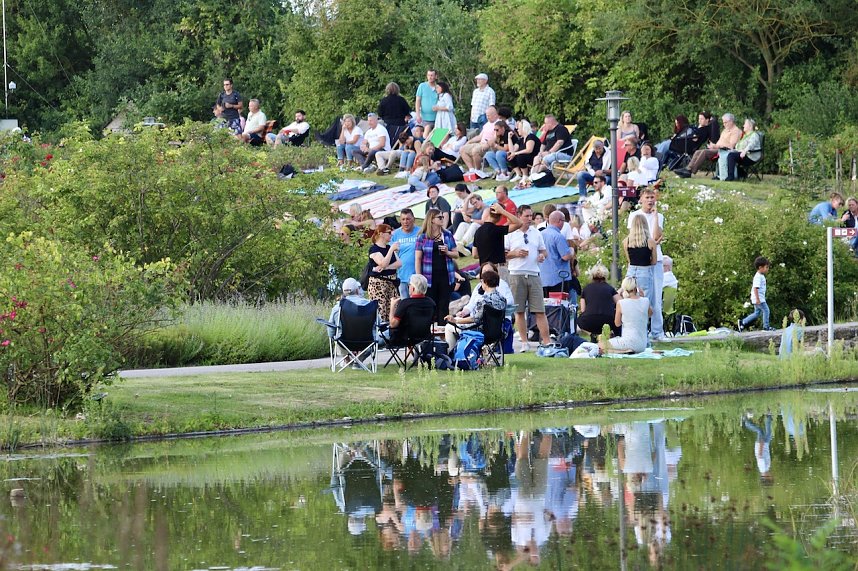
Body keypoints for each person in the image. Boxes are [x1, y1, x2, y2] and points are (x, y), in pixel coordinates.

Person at [504, 205, 550, 351]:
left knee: (539, 310)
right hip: (516, 273)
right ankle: (524, 342)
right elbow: (503, 254)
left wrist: (542, 256)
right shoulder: (510, 233)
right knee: (519, 310)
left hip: (533, 273)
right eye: (527, 216)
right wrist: (515, 253)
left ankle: (547, 341)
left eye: (531, 216)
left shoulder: (536, 233)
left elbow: (544, 251)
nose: (530, 219)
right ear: (518, 216)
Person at [627, 188, 667, 341]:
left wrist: (656, 216)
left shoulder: (659, 216)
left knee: (656, 295)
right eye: (647, 197)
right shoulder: (634, 216)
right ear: (641, 200)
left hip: (656, 258)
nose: (650, 200)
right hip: (640, 260)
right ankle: (640, 330)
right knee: (638, 294)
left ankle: (657, 331)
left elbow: (657, 236)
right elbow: (633, 237)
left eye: (652, 197)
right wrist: (650, 243)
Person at [443, 268, 506, 352]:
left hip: (480, 331)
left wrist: (455, 321)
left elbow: (474, 319)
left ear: (485, 283)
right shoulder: (503, 299)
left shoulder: (482, 300)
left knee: (449, 327)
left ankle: (452, 353)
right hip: (497, 332)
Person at [415, 208, 459, 325]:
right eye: (439, 217)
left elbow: (456, 254)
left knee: (444, 306)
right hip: (429, 278)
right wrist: (419, 278)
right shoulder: (422, 237)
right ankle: (430, 334)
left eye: (442, 217)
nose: (442, 219)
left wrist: (448, 252)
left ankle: (444, 333)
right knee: (431, 306)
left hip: (446, 276)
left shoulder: (447, 235)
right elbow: (418, 258)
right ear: (432, 220)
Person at [676, 113, 742, 178]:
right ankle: (688, 169)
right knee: (698, 151)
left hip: (725, 151)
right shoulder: (725, 130)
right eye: (723, 122)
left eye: (725, 122)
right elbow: (720, 142)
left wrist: (716, 146)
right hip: (717, 148)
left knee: (705, 152)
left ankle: (690, 171)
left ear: (731, 121)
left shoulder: (736, 131)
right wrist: (713, 145)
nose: (724, 124)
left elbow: (731, 146)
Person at [601, 276, 652, 354]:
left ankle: (624, 351)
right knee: (605, 347)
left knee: (600, 345)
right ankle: (626, 351)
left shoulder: (621, 303)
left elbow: (617, 324)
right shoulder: (646, 301)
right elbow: (650, 314)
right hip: (642, 345)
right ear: (636, 288)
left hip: (628, 341)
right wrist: (643, 296)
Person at [623, 214, 657, 317]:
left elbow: (629, 260)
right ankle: (644, 328)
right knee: (645, 301)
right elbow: (654, 261)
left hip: (631, 271)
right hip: (645, 270)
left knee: (628, 299)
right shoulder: (650, 241)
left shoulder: (626, 241)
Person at [386, 275, 436, 345]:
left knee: (381, 332)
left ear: (413, 288)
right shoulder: (431, 303)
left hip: (404, 338)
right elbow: (432, 320)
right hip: (425, 336)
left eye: (409, 285)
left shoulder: (405, 303)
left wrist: (392, 306)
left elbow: (393, 324)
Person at [577, 263, 621, 340]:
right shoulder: (610, 288)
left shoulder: (586, 289)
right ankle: (617, 337)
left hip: (589, 322)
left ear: (592, 276)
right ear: (605, 276)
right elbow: (621, 303)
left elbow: (583, 309)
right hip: (608, 321)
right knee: (618, 317)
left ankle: (593, 335)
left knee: (578, 320)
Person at [367, 224, 402, 320]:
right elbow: (383, 263)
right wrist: (391, 250)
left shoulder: (388, 247)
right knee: (380, 312)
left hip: (391, 282)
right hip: (379, 284)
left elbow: (399, 263)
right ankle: (380, 333)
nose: (391, 235)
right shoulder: (374, 249)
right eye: (389, 233)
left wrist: (386, 268)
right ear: (381, 234)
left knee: (394, 311)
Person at [540, 211, 576, 299]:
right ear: (560, 221)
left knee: (546, 308)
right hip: (559, 279)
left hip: (543, 279)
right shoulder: (558, 236)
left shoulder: (540, 234)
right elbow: (565, 256)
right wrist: (571, 250)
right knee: (559, 307)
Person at [460, 106, 500, 173]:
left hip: (490, 145)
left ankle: (478, 170)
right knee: (462, 149)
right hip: (480, 143)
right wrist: (469, 141)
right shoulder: (487, 124)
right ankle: (471, 169)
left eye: (489, 115)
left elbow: (497, 137)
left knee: (475, 151)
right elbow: (480, 136)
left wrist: (488, 144)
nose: (487, 117)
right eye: (487, 115)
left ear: (495, 115)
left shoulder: (498, 124)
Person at [738, 256, 772, 331]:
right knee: (766, 310)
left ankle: (743, 322)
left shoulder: (761, 276)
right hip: (759, 298)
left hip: (758, 298)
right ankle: (766, 327)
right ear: (760, 267)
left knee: (757, 313)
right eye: (766, 267)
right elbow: (755, 288)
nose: (767, 269)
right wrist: (757, 299)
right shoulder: (758, 277)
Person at [391, 209, 420, 298]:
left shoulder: (421, 232)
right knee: (405, 303)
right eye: (403, 219)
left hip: (417, 275)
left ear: (413, 219)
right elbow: (390, 252)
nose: (405, 222)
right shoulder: (396, 234)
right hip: (402, 275)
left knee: (417, 303)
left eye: (408, 219)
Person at [415, 69, 439, 135]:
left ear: (436, 76)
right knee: (419, 133)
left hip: (436, 117)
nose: (430, 77)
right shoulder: (422, 86)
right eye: (428, 75)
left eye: (432, 75)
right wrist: (417, 115)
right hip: (424, 117)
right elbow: (418, 101)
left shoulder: (438, 87)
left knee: (435, 136)